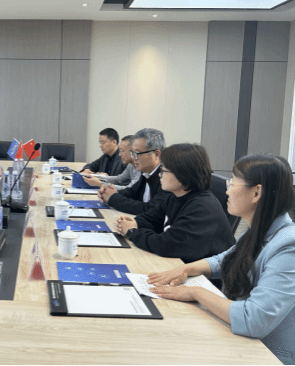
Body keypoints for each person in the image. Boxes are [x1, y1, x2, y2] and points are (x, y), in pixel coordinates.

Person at [147, 154, 295, 365]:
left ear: (256, 192)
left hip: (267, 355)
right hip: (239, 341)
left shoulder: (288, 246)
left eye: (233, 183)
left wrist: (195, 292)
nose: (227, 191)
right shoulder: (258, 229)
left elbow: (254, 319)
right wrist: (186, 269)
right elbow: (226, 259)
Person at [114, 143, 235, 263]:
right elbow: (153, 218)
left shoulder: (202, 207)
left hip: (205, 274)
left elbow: (166, 244)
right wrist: (135, 222)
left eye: (164, 170)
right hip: (181, 264)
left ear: (183, 175)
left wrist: (132, 232)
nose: (160, 174)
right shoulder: (176, 196)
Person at [98, 128, 170, 215]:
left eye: (137, 153)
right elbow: (132, 192)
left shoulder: (167, 177)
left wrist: (113, 198)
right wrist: (111, 192)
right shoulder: (146, 172)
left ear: (156, 154)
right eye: (132, 153)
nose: (133, 158)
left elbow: (150, 208)